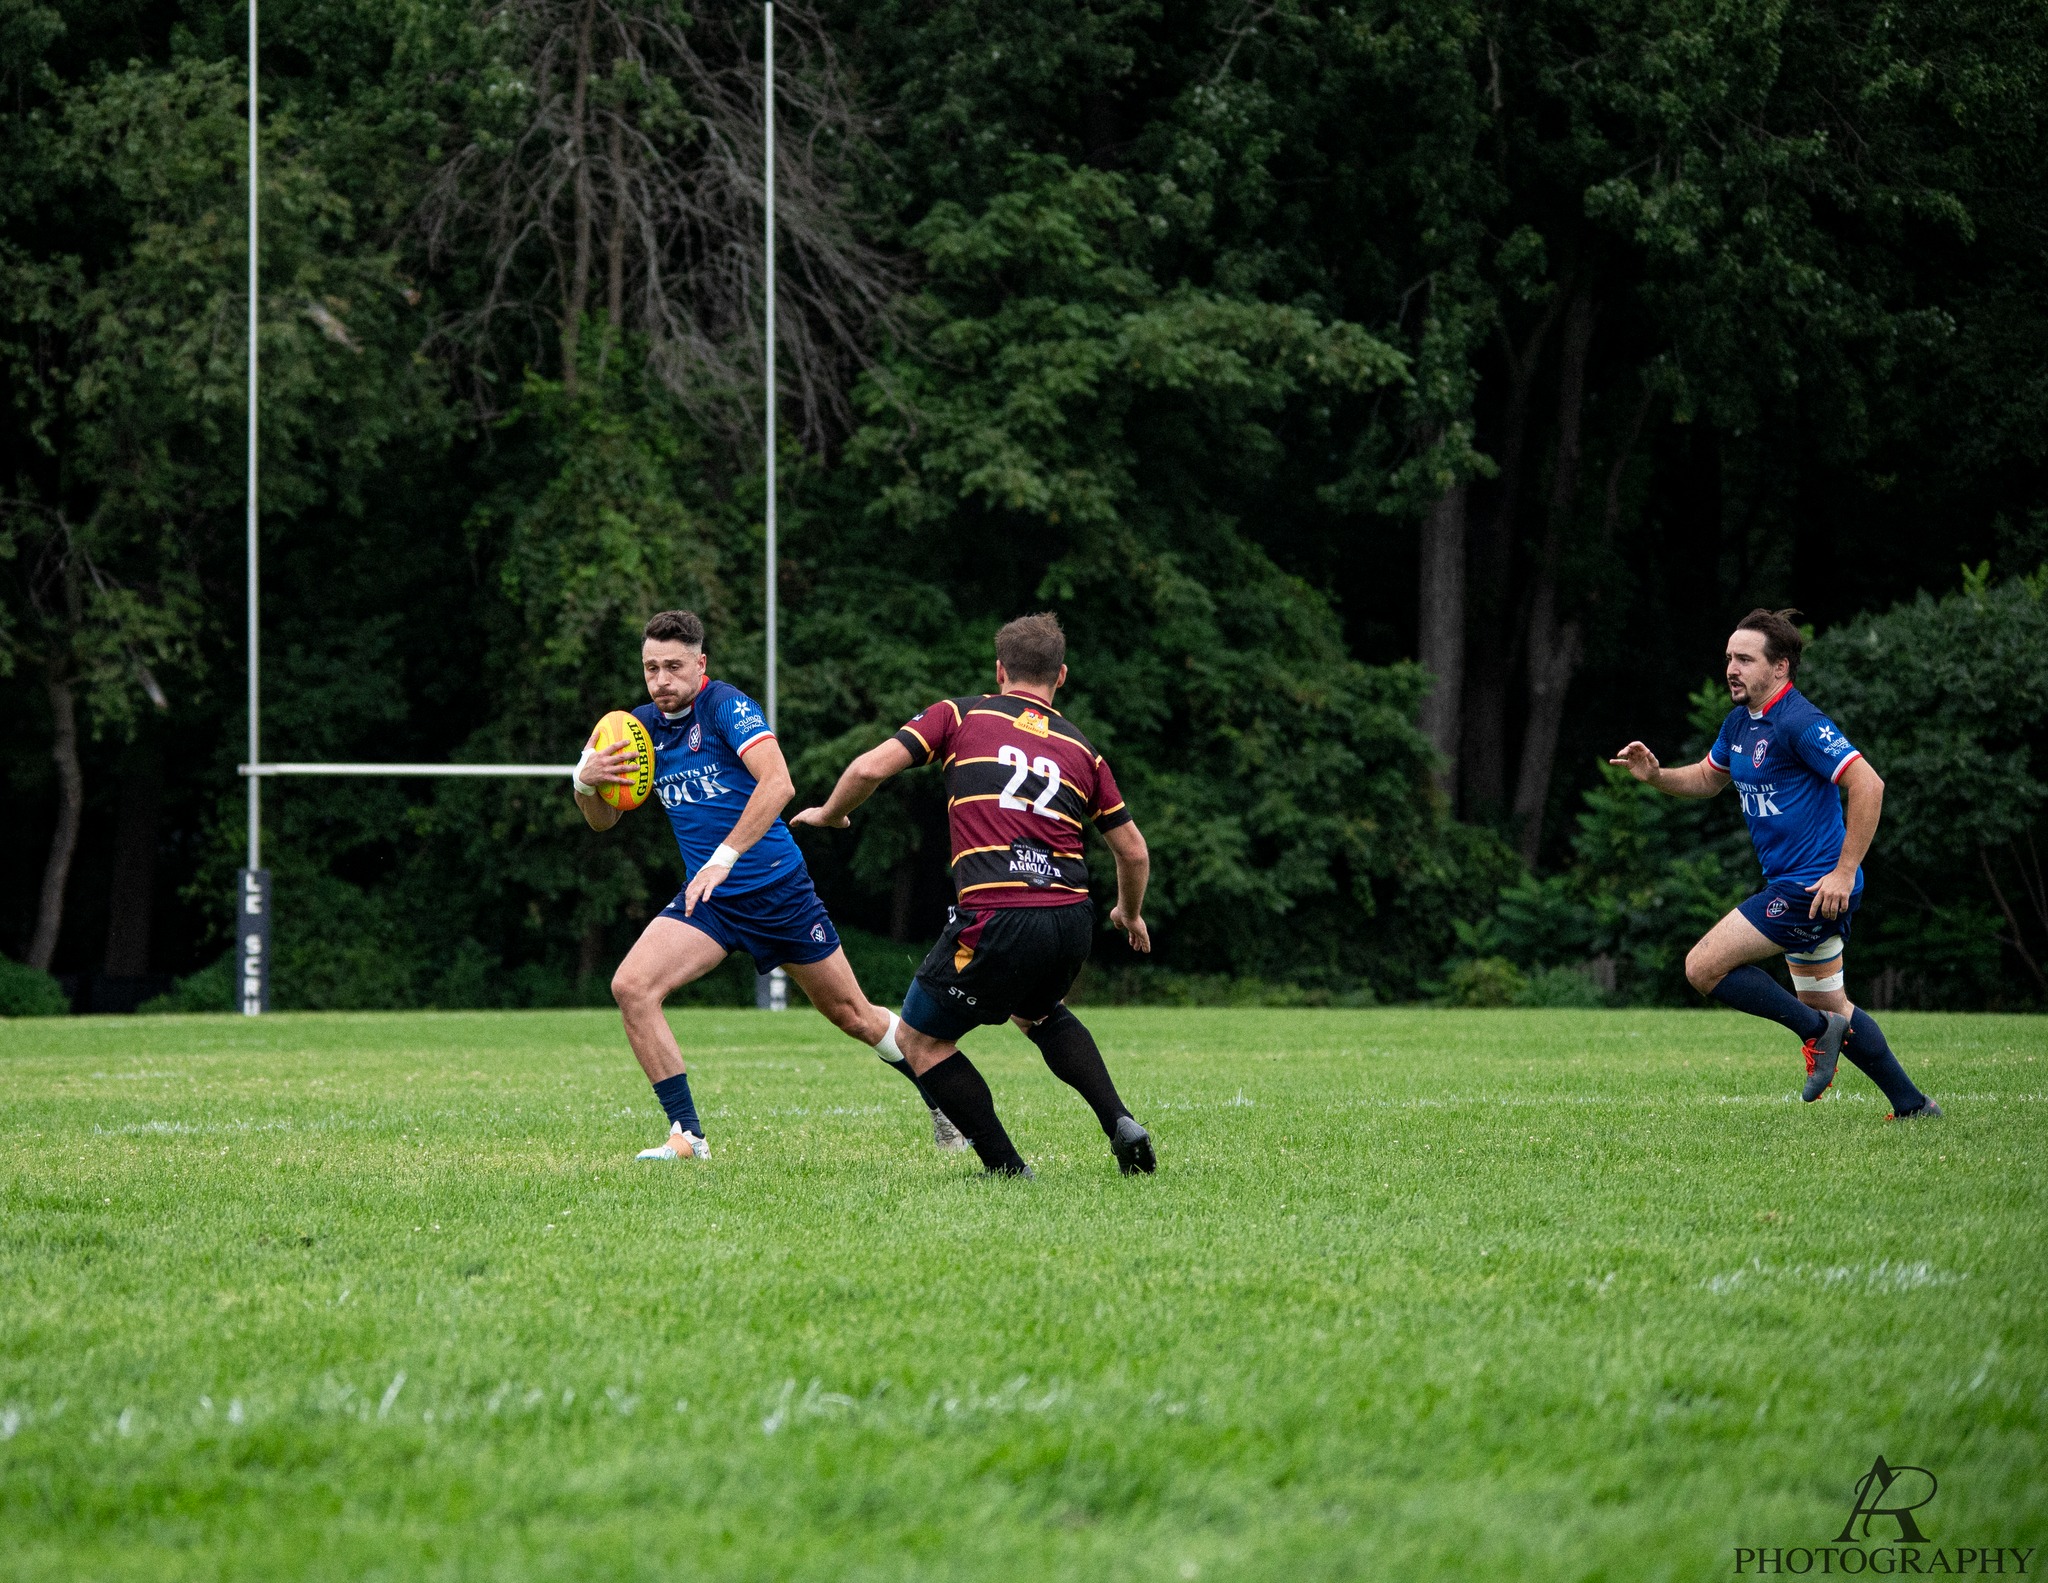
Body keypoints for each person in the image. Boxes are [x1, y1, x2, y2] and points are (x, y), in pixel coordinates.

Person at [575, 609, 968, 1160]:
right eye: (650, 668)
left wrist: (723, 857)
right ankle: (687, 1136)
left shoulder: (726, 707)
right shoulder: (635, 730)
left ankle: (943, 1098)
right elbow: (602, 820)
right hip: (709, 902)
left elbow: (778, 782)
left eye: (673, 667)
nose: (661, 680)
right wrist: (584, 783)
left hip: (778, 892)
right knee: (632, 988)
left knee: (852, 1016)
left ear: (700, 664)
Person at [793, 611, 1158, 1177]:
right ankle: (1119, 1119)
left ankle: (1007, 1167)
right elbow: (1133, 851)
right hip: (1071, 919)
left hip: (1000, 913)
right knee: (1039, 1012)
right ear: (1060, 676)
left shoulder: (960, 715)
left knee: (920, 1041)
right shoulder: (1081, 749)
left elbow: (868, 770)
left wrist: (830, 812)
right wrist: (1127, 913)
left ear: (999, 669)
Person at [1610, 608, 1940, 1120]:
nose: (1731, 669)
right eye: (1728, 658)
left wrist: (1844, 871)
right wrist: (1655, 776)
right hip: (1797, 885)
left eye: (1745, 659)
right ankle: (1913, 1104)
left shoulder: (1799, 722)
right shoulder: (1739, 723)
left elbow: (1868, 784)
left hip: (1813, 888)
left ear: (1780, 667)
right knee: (1835, 1007)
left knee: (1702, 967)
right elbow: (1705, 779)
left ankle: (1815, 1033)